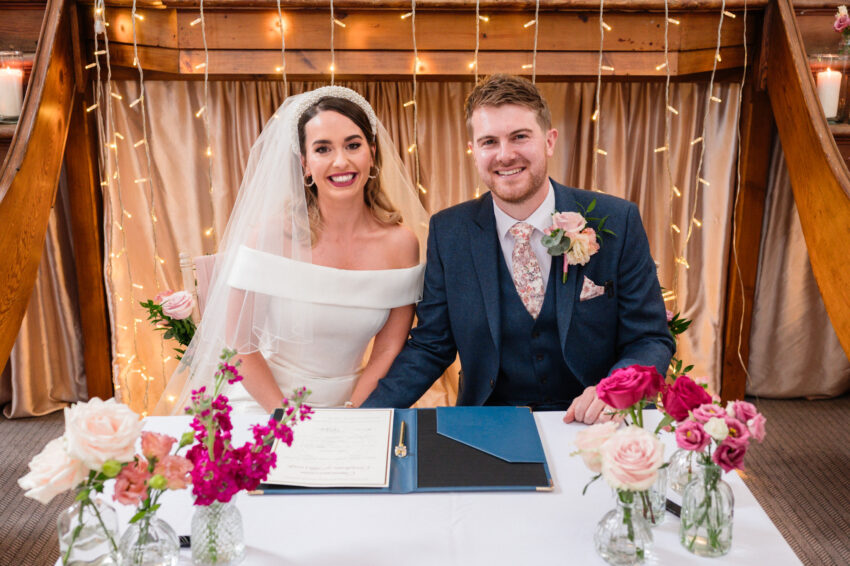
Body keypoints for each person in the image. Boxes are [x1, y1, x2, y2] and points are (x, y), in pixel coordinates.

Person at [362, 74, 674, 424]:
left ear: (549, 141)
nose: (505, 154)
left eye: (520, 137)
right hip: (488, 425)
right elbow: (431, 345)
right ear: (473, 151)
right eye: (489, 142)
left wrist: (615, 391)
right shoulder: (449, 231)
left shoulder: (618, 219)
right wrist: (364, 418)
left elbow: (650, 338)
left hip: (595, 423)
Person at [154, 86, 428, 415]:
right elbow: (241, 347)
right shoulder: (270, 236)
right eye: (323, 149)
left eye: (352, 145)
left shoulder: (401, 244)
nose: (341, 161)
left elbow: (388, 349)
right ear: (305, 163)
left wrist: (353, 412)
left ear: (372, 151)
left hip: (355, 403)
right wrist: (284, 417)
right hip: (263, 402)